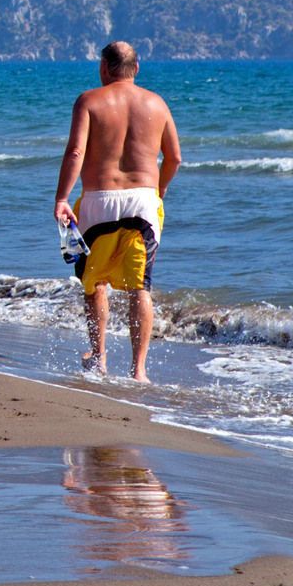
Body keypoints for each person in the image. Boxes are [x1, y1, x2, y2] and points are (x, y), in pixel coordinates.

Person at [52, 41, 181, 383]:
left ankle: (99, 357)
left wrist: (62, 197)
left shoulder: (90, 101)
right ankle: (138, 370)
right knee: (141, 286)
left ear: (104, 69)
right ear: (136, 69)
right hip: (143, 202)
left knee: (94, 283)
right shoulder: (157, 104)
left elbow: (75, 153)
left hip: (98, 200)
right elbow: (175, 158)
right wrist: (160, 189)